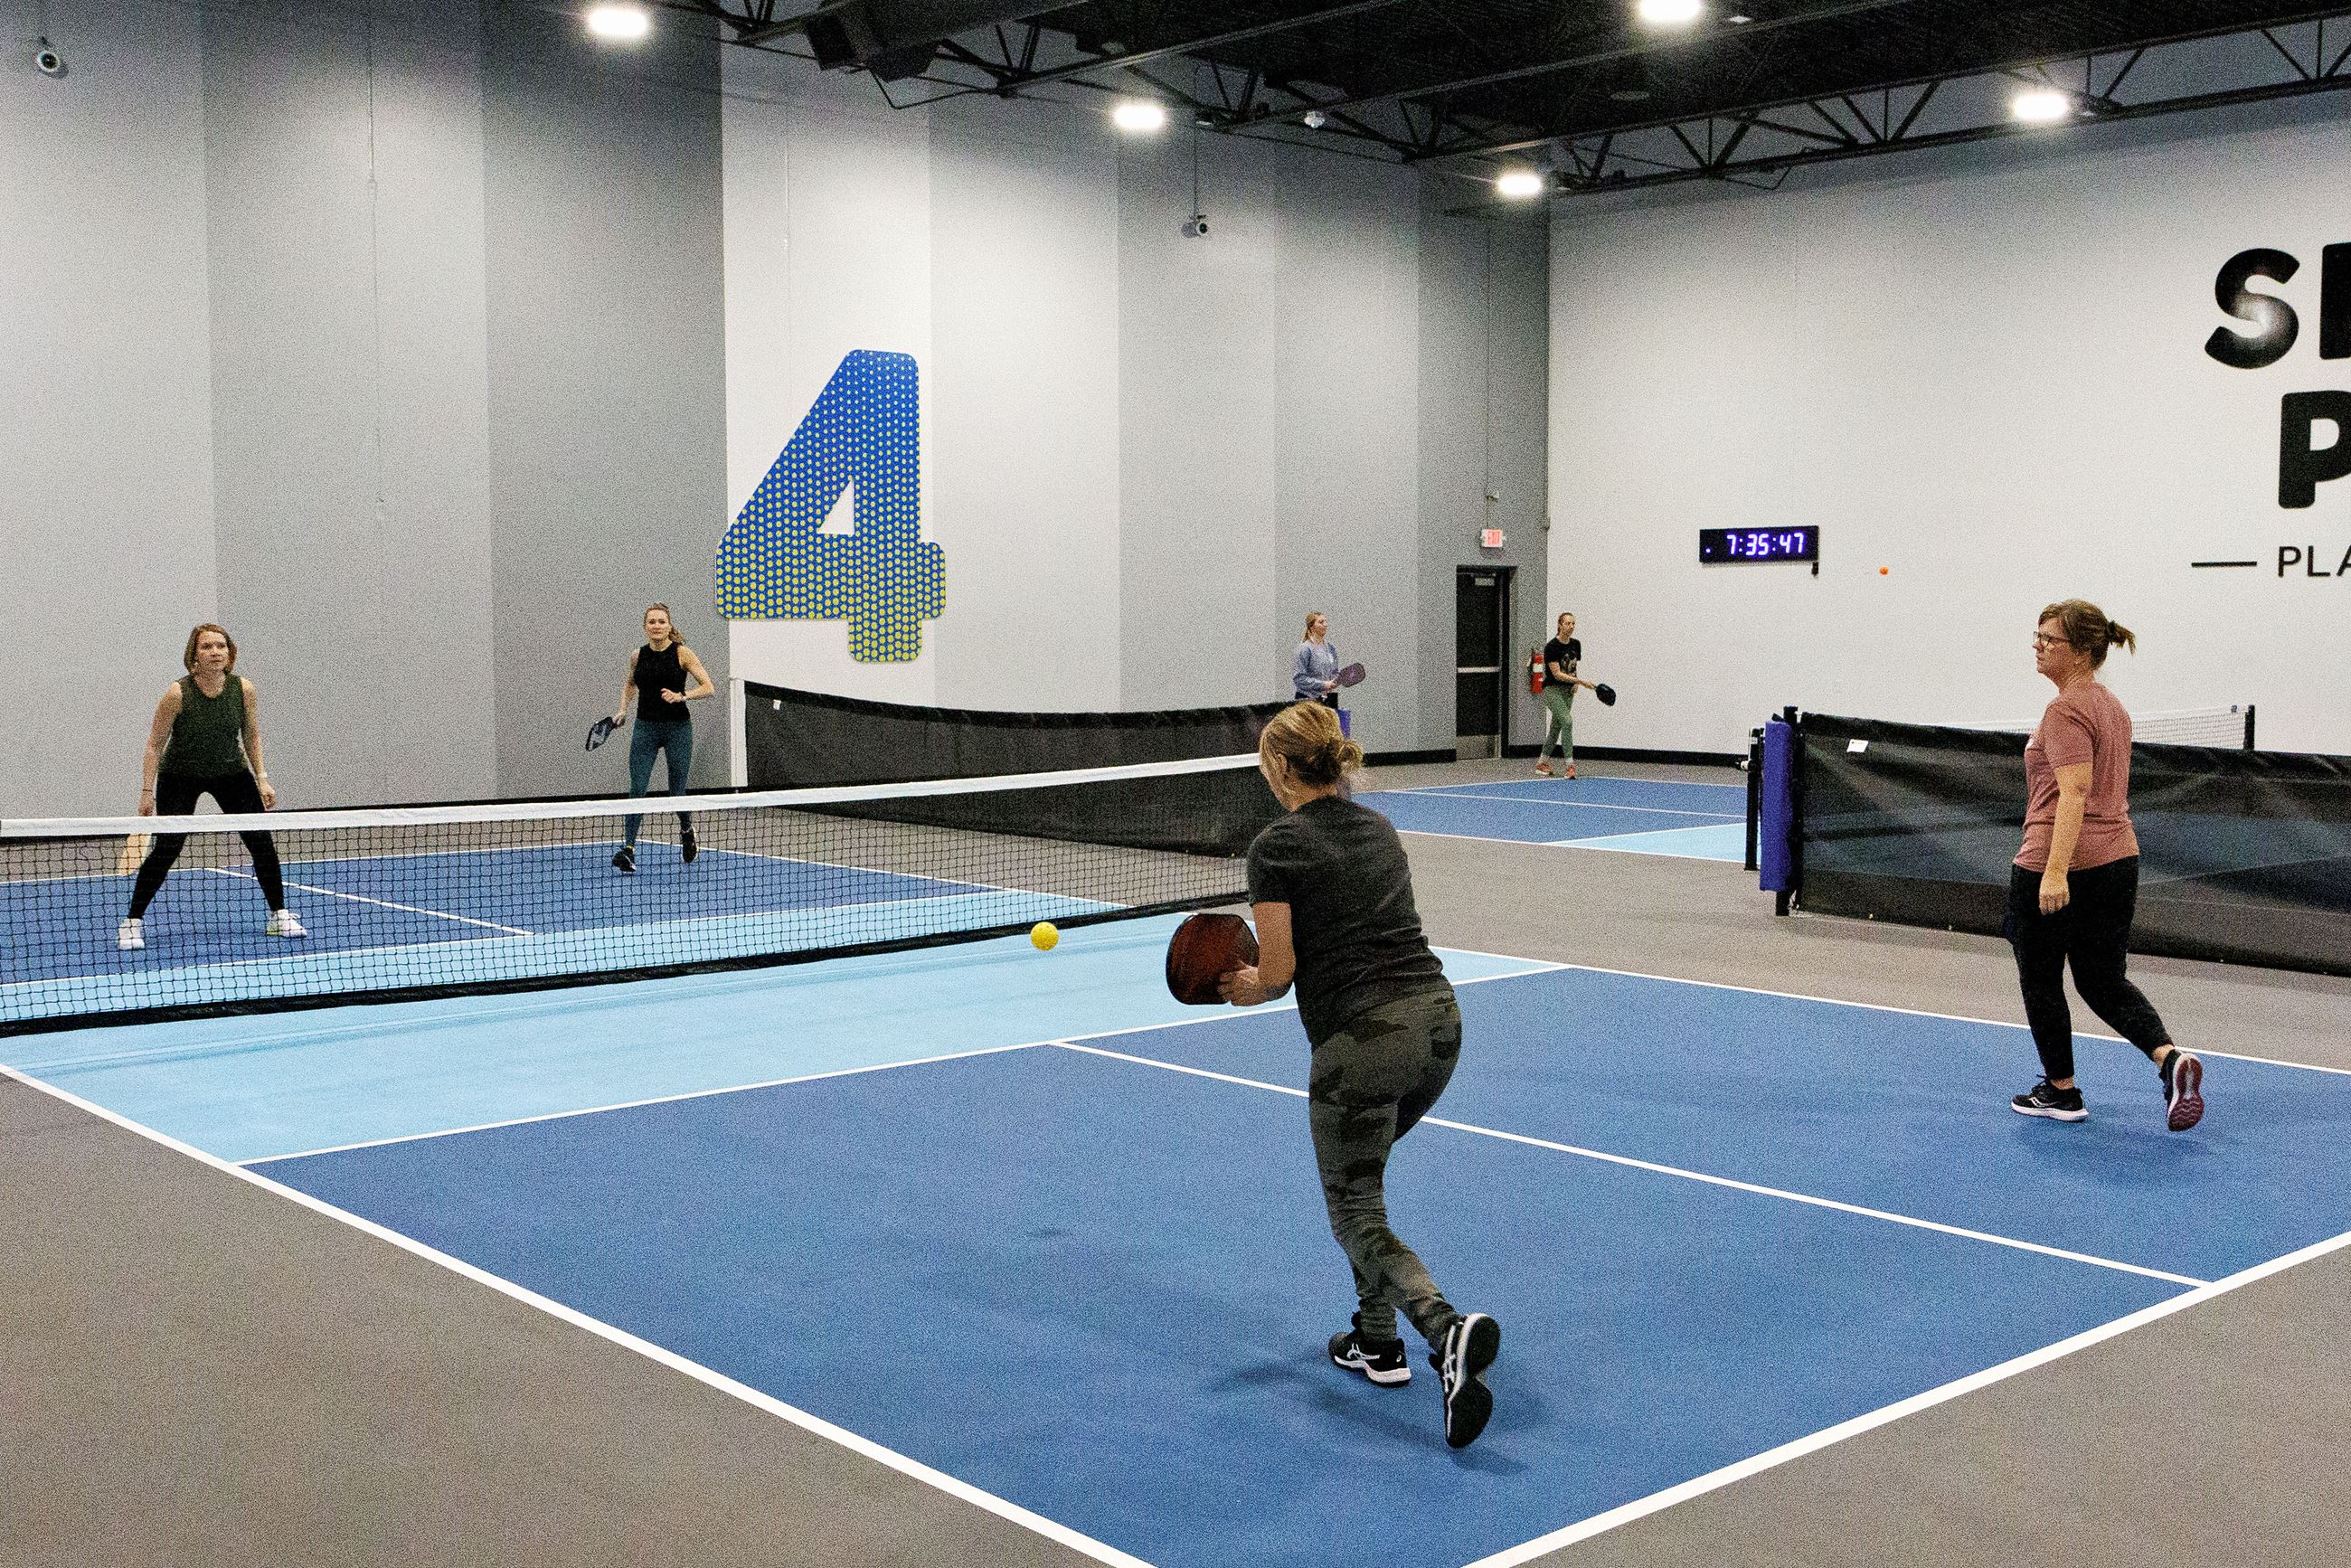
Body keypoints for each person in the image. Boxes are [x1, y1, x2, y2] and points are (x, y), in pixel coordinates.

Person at [1219, 701, 1501, 1449]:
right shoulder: (1379, 826)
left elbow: (1276, 974)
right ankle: (1376, 1343)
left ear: (1280, 768)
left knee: (1354, 1214)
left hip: (1363, 1044)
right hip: (1440, 1026)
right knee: (1363, 1182)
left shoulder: (1275, 848)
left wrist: (1242, 984)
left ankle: (1446, 1333)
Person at [2007, 599, 2204, 1132]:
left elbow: (2073, 791)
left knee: (2041, 978)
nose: (2038, 646)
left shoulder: (2066, 710)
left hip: (2059, 860)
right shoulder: (2112, 706)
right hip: (2119, 859)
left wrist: (2053, 871)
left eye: (2049, 639)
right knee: (2102, 980)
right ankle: (2168, 1060)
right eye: (2038, 635)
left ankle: (2061, 1091)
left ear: (2081, 651)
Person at [118, 624, 305, 950]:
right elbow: (154, 744)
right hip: (180, 775)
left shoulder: (243, 688)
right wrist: (147, 791)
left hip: (231, 773)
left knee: (261, 842)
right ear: (194, 654)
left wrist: (262, 777)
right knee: (167, 848)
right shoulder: (177, 693)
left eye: (221, 646)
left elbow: (251, 734)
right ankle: (132, 922)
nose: (215, 652)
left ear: (229, 653)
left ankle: (279, 915)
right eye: (207, 647)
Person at [609, 603, 715, 874]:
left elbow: (708, 687)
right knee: (637, 790)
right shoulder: (637, 656)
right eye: (652, 622)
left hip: (677, 729)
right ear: (645, 626)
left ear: (669, 626)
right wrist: (623, 710)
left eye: (661, 621)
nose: (656, 626)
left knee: (676, 792)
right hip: (645, 729)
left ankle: (686, 830)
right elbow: (630, 684)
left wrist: (683, 696)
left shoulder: (682, 654)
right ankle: (628, 849)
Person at [1535, 611, 1597, 778]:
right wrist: (1580, 682)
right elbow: (1556, 674)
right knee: (1567, 721)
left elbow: (1572, 666)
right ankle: (1570, 766)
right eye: (1568, 623)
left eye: (1573, 623)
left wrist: (1575, 681)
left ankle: (1542, 763)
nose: (1571, 626)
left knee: (1556, 728)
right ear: (1560, 625)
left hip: (1568, 691)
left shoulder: (1576, 644)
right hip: (1552, 690)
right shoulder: (1552, 647)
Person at [1292, 612, 1340, 709]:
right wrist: (1323, 685)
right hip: (1307, 700)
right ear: (1312, 627)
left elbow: (1334, 672)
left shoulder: (1331, 648)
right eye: (1321, 622)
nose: (1325, 625)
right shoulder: (1304, 649)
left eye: (1326, 622)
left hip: (1327, 700)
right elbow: (1299, 679)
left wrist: (1335, 681)